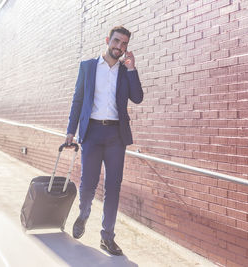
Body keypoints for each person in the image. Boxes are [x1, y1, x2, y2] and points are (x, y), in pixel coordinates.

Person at [65, 26, 143, 256]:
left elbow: (137, 98)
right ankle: (84, 212)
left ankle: (107, 237)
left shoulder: (124, 71)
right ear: (108, 40)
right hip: (92, 133)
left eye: (124, 44)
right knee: (87, 185)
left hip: (115, 136)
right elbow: (77, 100)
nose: (120, 47)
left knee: (113, 187)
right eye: (117, 41)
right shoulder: (88, 67)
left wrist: (132, 69)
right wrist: (71, 130)